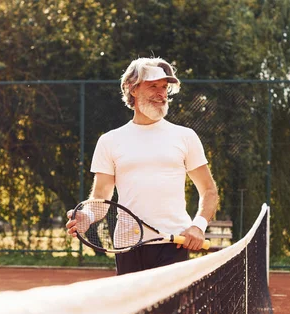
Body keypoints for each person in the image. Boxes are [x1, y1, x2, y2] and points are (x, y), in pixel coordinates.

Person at [66, 56, 219, 275]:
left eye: (165, 87)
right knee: (136, 310)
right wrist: (86, 217)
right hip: (127, 246)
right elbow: (101, 195)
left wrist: (198, 226)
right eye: (153, 86)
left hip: (173, 244)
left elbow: (209, 190)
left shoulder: (185, 137)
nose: (161, 93)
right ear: (132, 89)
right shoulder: (110, 141)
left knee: (170, 310)